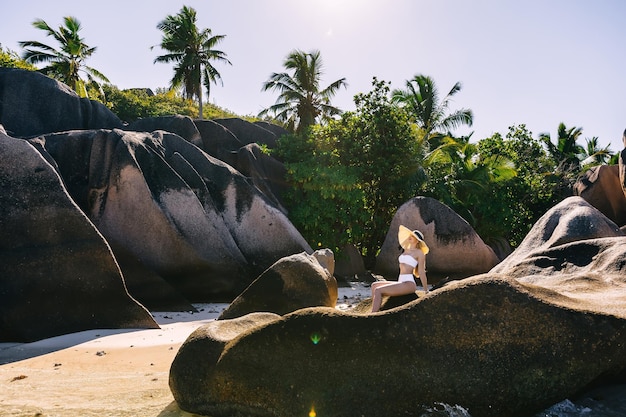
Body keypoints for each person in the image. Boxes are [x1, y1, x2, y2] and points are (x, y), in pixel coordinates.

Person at [370, 225, 430, 312]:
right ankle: (376, 308)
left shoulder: (419, 253)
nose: (410, 237)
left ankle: (373, 315)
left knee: (378, 290)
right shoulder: (406, 249)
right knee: (374, 285)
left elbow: (421, 271)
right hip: (400, 281)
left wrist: (426, 290)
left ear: (417, 241)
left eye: (413, 237)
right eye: (410, 235)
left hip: (409, 283)